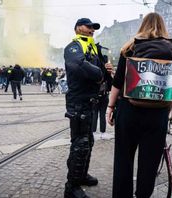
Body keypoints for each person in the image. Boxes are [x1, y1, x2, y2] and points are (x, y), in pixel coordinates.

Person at [106, 13, 172, 198]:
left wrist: (110, 107)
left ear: (143, 25)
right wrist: (167, 110)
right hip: (157, 114)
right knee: (149, 163)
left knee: (123, 159)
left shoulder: (130, 47)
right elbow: (171, 87)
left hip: (129, 111)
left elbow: (117, 81)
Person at [63, 17, 113, 198]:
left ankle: (81, 175)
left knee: (87, 141)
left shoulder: (93, 48)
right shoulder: (73, 47)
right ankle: (72, 187)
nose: (92, 29)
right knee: (80, 144)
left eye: (94, 27)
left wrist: (107, 70)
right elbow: (77, 65)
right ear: (78, 28)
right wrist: (100, 73)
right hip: (78, 102)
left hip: (91, 101)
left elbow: (103, 75)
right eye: (88, 26)